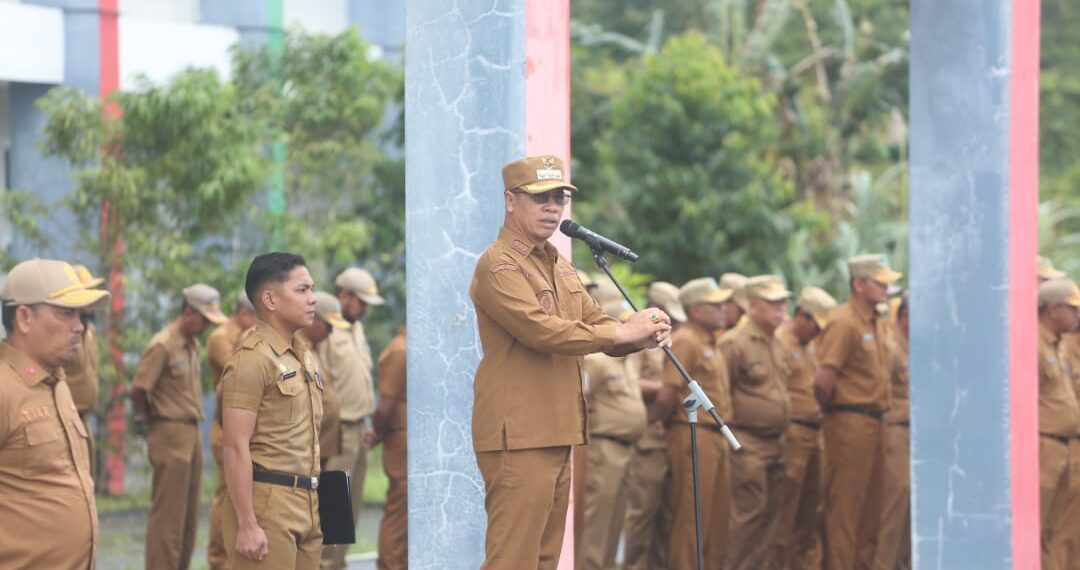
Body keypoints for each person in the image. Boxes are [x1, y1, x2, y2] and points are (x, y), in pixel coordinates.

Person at [469, 154, 671, 569]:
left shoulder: (559, 263)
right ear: (510, 201)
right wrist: (620, 332)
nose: (553, 207)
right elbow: (540, 331)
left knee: (545, 559)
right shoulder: (499, 264)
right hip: (520, 433)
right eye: (541, 197)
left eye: (559, 197)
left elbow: (596, 322)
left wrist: (638, 332)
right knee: (513, 560)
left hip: (557, 429)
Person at [0, 258, 108, 568]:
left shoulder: (56, 381)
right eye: (65, 313)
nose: (79, 326)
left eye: (80, 314)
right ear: (24, 318)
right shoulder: (5, 389)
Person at [221, 252, 324, 569]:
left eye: (311, 289)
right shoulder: (251, 359)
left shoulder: (302, 354)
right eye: (302, 290)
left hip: (309, 498)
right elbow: (235, 445)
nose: (313, 299)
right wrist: (248, 523)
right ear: (270, 299)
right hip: (268, 503)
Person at [814, 254, 901, 569]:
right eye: (880, 283)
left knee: (870, 516)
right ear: (859, 285)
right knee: (845, 514)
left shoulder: (878, 322)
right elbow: (824, 380)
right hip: (850, 421)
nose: (886, 289)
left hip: (877, 423)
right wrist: (832, 413)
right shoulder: (843, 321)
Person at [132, 283, 226, 570]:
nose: (206, 326)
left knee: (188, 517)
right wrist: (148, 416)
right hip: (169, 431)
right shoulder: (163, 344)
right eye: (204, 319)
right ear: (188, 312)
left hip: (191, 431)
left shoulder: (192, 344)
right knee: (168, 518)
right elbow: (139, 389)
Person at [653, 277, 735, 569]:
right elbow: (667, 393)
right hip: (694, 434)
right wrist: (662, 423)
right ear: (696, 310)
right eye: (716, 305)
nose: (724, 309)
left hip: (715, 436)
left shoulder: (712, 341)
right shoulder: (687, 339)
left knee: (716, 518)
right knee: (692, 518)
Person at [719, 275, 793, 570]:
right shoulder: (733, 343)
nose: (781, 310)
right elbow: (721, 395)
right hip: (747, 443)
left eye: (783, 303)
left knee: (771, 519)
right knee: (748, 518)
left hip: (777, 442)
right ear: (752, 306)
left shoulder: (777, 342)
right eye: (773, 304)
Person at [320, 266, 384, 570]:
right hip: (338, 432)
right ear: (343, 295)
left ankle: (339, 564)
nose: (365, 309)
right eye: (360, 302)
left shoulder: (355, 327)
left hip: (359, 428)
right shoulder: (324, 331)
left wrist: (368, 423)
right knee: (334, 513)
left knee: (351, 512)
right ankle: (326, 565)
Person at [577, 300, 648, 570]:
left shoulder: (631, 360)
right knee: (597, 526)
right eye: (627, 322)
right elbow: (581, 399)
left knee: (615, 523)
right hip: (604, 448)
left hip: (627, 449)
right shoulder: (596, 360)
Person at [772, 286, 836, 569]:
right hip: (792, 434)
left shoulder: (812, 346)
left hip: (815, 435)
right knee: (785, 513)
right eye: (815, 325)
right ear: (801, 316)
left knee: (810, 513)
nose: (818, 332)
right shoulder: (780, 341)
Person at [622, 281, 684, 570]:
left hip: (668, 438)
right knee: (642, 516)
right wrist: (666, 388)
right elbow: (628, 382)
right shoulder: (639, 339)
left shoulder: (671, 340)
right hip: (647, 437)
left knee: (666, 518)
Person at [206, 292, 258, 570]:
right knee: (228, 493)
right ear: (247, 314)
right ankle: (219, 559)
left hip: (243, 427)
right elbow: (239, 376)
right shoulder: (222, 338)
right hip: (227, 426)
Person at [1035, 278, 1080, 568]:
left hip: (1063, 445)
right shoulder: (1034, 344)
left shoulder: (1058, 345)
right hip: (1044, 444)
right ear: (1053, 309)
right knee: (1038, 526)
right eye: (1072, 309)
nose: (1077, 316)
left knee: (1054, 528)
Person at [875, 293, 911, 570]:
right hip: (896, 428)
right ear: (904, 317)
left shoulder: (916, 343)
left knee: (911, 508)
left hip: (916, 432)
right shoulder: (890, 344)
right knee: (895, 503)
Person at [367, 326, 408, 570]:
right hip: (400, 436)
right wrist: (378, 431)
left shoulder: (405, 348)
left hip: (404, 435)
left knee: (405, 509)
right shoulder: (400, 350)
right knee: (399, 510)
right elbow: (385, 405)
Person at [63, 263, 106, 474]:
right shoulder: (61, 336)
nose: (91, 300)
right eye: (85, 293)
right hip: (65, 421)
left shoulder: (90, 332)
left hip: (84, 420)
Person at [301, 292, 349, 472]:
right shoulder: (297, 348)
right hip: (306, 449)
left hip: (322, 447)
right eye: (328, 326)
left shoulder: (315, 348)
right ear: (313, 319)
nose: (331, 332)